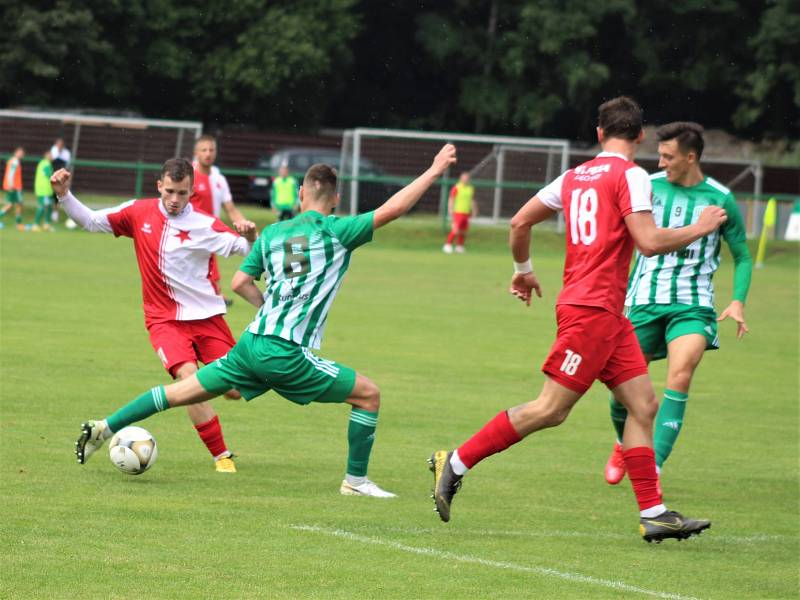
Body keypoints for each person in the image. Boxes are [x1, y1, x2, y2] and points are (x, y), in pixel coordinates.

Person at [74, 144, 458, 497]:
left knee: (180, 392)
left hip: (250, 344)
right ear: (335, 199)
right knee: (368, 395)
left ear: (302, 194)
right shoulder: (338, 232)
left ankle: (104, 427)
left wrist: (269, 307)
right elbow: (393, 209)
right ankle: (356, 481)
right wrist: (435, 169)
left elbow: (240, 282)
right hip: (284, 352)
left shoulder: (273, 232)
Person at [429, 97, 726, 543]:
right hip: (591, 312)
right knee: (550, 409)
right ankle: (454, 462)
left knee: (643, 405)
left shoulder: (572, 176)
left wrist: (524, 271)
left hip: (607, 315)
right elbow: (647, 242)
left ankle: (655, 512)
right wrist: (701, 227)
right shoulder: (633, 175)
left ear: (599, 134)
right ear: (641, 137)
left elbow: (519, 222)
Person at [53, 158, 258, 473]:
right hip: (164, 321)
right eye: (171, 191)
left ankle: (107, 428)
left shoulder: (206, 224)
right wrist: (65, 195)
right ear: (159, 186)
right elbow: (93, 221)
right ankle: (222, 456)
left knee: (234, 390)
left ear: (192, 193)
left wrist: (251, 237)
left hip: (209, 320)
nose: (175, 200)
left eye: (183, 193)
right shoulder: (139, 212)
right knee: (189, 380)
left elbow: (249, 252)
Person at [604, 122, 752, 485]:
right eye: (660, 154)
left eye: (668, 156)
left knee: (681, 373)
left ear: (690, 157)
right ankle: (623, 444)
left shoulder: (720, 198)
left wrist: (737, 301)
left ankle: (653, 466)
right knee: (620, 389)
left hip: (693, 304)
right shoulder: (645, 187)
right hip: (643, 302)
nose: (661, 162)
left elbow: (743, 256)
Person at [192, 134, 247, 306]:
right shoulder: (188, 176)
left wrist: (245, 226)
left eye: (211, 150)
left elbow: (230, 209)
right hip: (190, 231)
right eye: (204, 150)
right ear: (196, 153)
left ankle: (215, 295)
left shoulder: (219, 179)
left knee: (208, 260)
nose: (208, 153)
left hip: (211, 231)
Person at [442, 171, 477, 254]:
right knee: (455, 229)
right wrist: (450, 210)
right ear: (460, 179)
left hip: (466, 213)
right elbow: (451, 199)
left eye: (467, 178)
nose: (466, 179)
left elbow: (472, 200)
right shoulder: (456, 187)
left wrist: (474, 210)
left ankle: (459, 246)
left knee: (464, 230)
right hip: (458, 212)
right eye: (464, 178)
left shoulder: (470, 188)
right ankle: (447, 245)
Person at [1, 147, 25, 231]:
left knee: (13, 204)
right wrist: (11, 184)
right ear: (16, 152)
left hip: (12, 186)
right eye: (20, 152)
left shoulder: (12, 160)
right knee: (17, 204)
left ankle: (18, 224)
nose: (22, 154)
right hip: (14, 187)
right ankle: (18, 224)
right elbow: (11, 174)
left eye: (22, 153)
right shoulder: (15, 161)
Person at [50, 138, 71, 223]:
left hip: (61, 176)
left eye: (61, 144)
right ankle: (52, 213)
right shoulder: (53, 150)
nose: (59, 146)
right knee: (52, 195)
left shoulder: (66, 153)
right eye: (58, 144)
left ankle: (57, 213)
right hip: (53, 175)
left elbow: (67, 166)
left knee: (61, 194)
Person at [32, 151, 54, 232]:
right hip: (44, 189)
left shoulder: (42, 163)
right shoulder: (46, 164)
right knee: (42, 206)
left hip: (45, 189)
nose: (52, 156)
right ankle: (35, 224)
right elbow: (50, 175)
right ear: (46, 155)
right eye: (50, 155)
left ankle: (46, 224)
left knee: (48, 206)